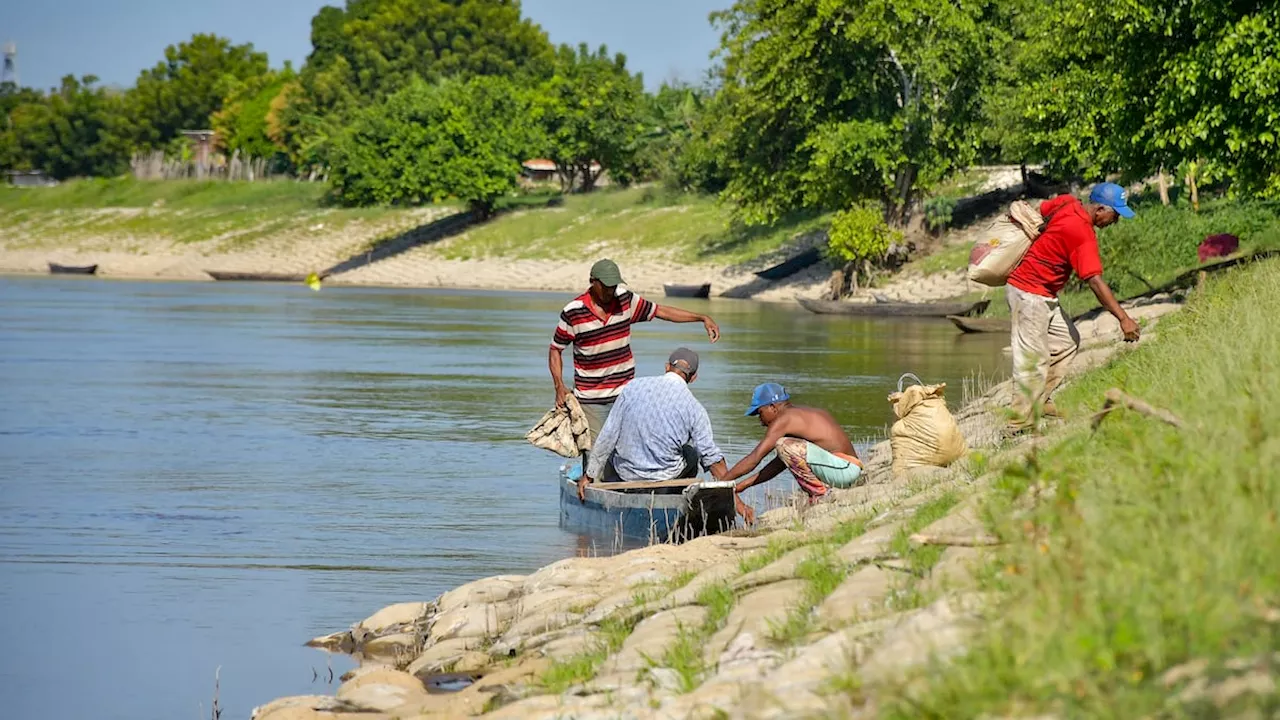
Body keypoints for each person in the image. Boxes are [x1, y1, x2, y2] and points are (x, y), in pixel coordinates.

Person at [549, 259, 720, 457]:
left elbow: (661, 311)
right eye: (605, 286)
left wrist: (701, 318)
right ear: (592, 282)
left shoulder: (625, 300)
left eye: (613, 286)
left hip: (626, 395)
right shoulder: (573, 312)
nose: (610, 291)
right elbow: (555, 349)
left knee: (628, 453)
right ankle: (590, 485)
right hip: (591, 399)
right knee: (597, 455)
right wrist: (559, 386)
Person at [1005, 181, 1141, 431]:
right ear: (1100, 209)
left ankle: (1040, 400)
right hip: (1027, 293)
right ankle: (1017, 425)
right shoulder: (1082, 233)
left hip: (1042, 292)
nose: (1116, 221)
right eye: (1115, 214)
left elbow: (1041, 210)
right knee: (1031, 360)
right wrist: (1124, 319)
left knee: (1067, 342)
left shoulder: (1068, 202)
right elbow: (1095, 281)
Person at [577, 348, 728, 501]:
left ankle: (619, 493)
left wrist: (589, 476)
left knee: (611, 453)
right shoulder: (695, 408)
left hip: (626, 475)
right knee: (691, 454)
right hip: (664, 479)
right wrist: (734, 497)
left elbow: (609, 434)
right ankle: (673, 500)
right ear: (693, 377)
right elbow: (709, 455)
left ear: (667, 367)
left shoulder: (632, 387)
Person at [720, 383, 862, 524]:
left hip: (845, 470)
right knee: (786, 447)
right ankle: (820, 493)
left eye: (760, 413)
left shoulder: (785, 419)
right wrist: (742, 486)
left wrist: (722, 483)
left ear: (772, 407)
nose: (760, 421)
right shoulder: (803, 414)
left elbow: (755, 458)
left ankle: (820, 495)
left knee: (783, 444)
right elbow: (779, 465)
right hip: (845, 470)